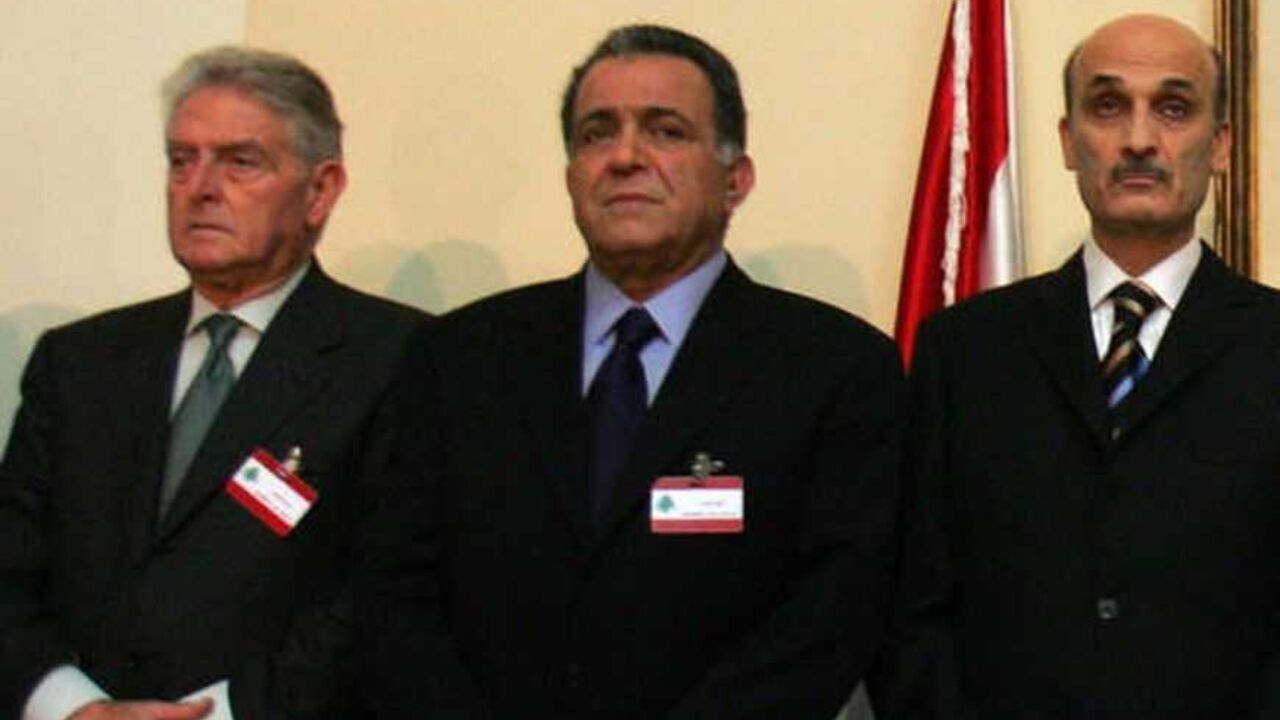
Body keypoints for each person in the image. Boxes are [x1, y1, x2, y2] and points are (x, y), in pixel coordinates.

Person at [359, 24, 903, 719]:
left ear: (735, 179)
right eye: (596, 133)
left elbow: (834, 613)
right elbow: (394, 592)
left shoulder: (834, 367)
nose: (624, 157)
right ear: (570, 178)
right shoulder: (460, 356)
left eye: (666, 131)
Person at [0, 46, 429, 720]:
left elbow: (385, 593)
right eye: (181, 160)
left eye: (239, 161)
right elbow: (9, 575)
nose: (199, 187)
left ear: (320, 190)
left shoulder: (401, 360)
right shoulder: (78, 363)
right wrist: (73, 708)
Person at [872, 14, 1280, 719]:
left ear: (1220, 147)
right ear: (1068, 140)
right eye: (1108, 105)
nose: (1140, 140)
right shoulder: (964, 351)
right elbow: (911, 606)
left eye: (1174, 109)